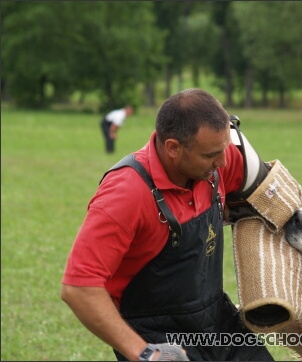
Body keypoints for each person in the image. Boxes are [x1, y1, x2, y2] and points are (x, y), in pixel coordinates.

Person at [61, 89, 274, 361]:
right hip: (157, 337)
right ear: (173, 147)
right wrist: (146, 353)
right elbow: (79, 287)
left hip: (219, 323)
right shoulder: (126, 193)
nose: (222, 162)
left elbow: (272, 197)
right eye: (211, 155)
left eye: (224, 149)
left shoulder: (219, 158)